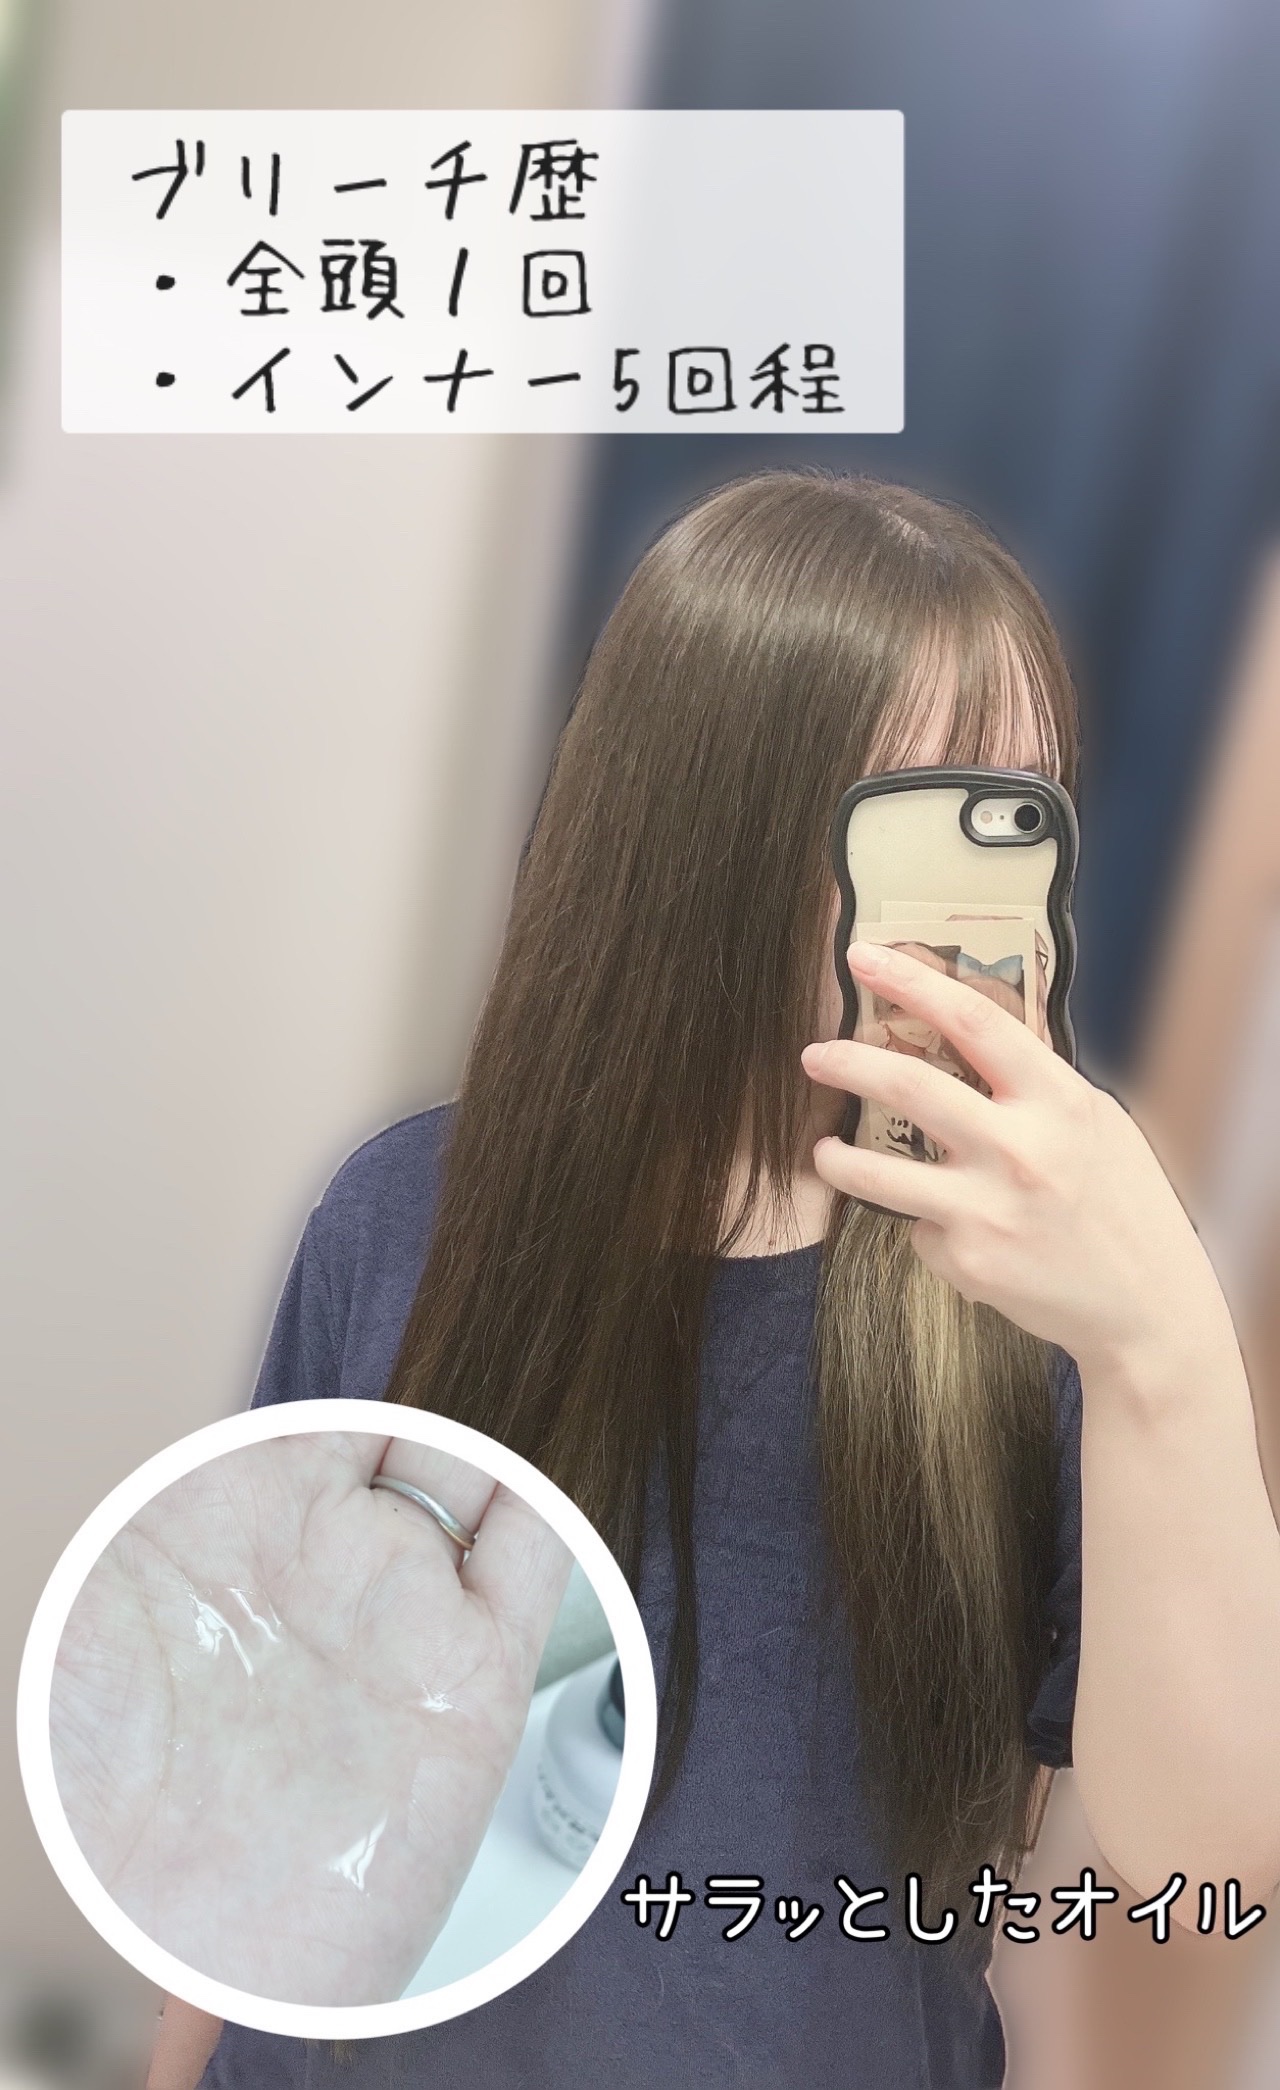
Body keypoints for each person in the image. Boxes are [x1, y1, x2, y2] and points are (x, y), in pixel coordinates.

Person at [158, 470, 1280, 2090]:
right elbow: (254, 1761)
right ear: (705, 821)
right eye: (921, 827)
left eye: (1021, 814)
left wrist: (1158, 1340)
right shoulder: (401, 1213)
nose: (981, 913)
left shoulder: (1044, 1303)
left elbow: (1219, 1860)